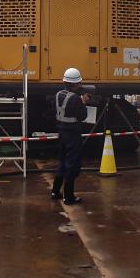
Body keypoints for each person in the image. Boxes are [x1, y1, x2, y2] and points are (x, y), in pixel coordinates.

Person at [51, 67, 91, 205]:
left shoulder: (58, 95)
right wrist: (83, 103)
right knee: (72, 165)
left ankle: (55, 191)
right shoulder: (76, 99)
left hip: (61, 133)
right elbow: (82, 116)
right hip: (73, 134)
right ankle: (69, 197)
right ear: (76, 83)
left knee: (62, 162)